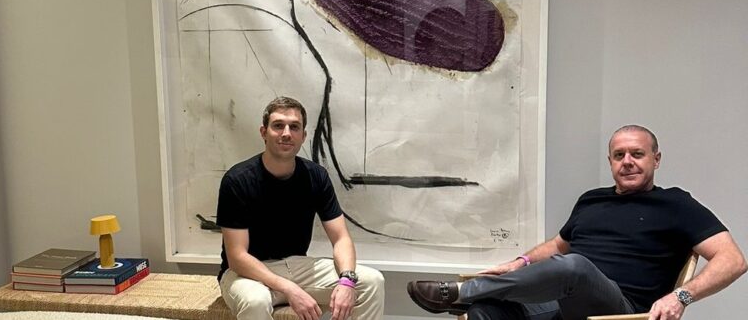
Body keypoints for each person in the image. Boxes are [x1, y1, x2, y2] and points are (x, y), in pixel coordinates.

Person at [408, 125, 746, 320]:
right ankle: (473, 297)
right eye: (619, 155)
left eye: (637, 154)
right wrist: (520, 262)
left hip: (620, 312)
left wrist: (682, 296)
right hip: (563, 304)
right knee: (488, 310)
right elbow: (558, 245)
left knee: (575, 267)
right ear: (610, 161)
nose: (627, 162)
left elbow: (733, 260)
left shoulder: (676, 203)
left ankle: (461, 292)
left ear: (656, 159)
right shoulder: (591, 200)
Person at [216, 96, 384, 320]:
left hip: (297, 266)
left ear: (303, 136)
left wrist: (346, 280)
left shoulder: (316, 176)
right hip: (245, 274)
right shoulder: (237, 180)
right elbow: (237, 257)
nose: (286, 133)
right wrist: (290, 288)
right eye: (278, 125)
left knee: (372, 282)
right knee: (256, 301)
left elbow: (341, 238)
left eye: (294, 127)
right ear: (263, 132)